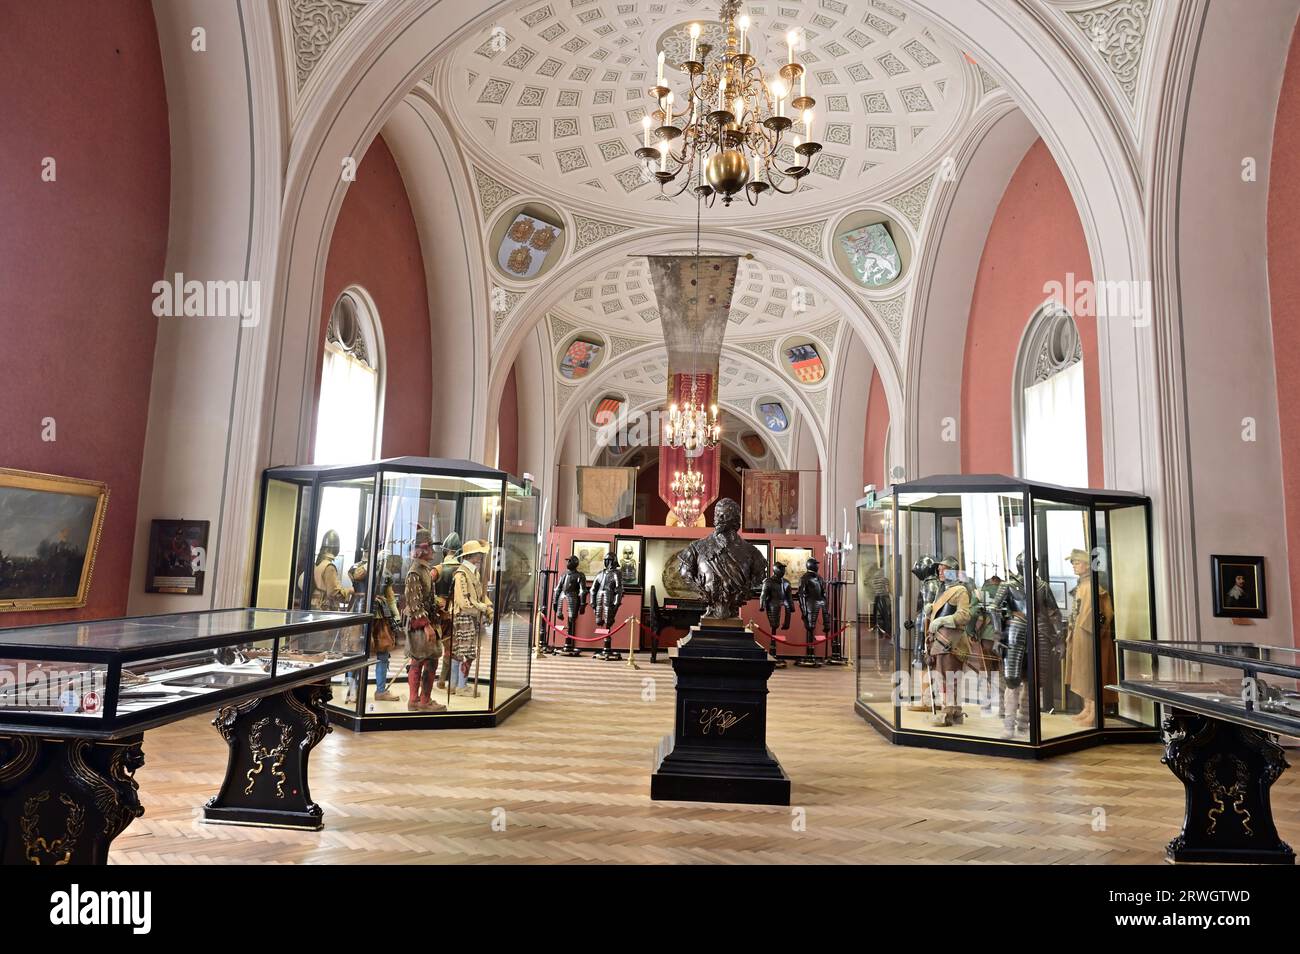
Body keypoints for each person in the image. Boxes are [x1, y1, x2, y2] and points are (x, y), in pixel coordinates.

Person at [1066, 548, 1115, 726]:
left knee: (1093, 672)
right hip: (1080, 636)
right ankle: (1087, 708)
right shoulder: (1083, 586)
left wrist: (1087, 630)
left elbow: (1103, 614)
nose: (1074, 567)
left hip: (1090, 638)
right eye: (1073, 563)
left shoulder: (1094, 588)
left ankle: (1096, 712)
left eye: (1077, 563)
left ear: (1087, 565)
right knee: (1083, 673)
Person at [401, 530, 446, 712]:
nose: (433, 552)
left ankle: (420, 700)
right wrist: (427, 626)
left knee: (423, 660)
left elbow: (424, 597)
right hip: (420, 625)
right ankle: (420, 701)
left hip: (426, 621)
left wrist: (437, 603)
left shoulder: (423, 570)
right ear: (423, 549)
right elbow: (414, 603)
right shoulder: (415, 572)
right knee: (424, 661)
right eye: (431, 547)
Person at [452, 540, 494, 696]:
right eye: (478, 553)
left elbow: (481, 595)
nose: (481, 556)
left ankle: (456, 684)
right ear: (471, 555)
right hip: (463, 616)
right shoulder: (461, 574)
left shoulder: (474, 572)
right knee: (465, 652)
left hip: (470, 615)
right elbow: (463, 602)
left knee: (461, 651)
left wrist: (488, 608)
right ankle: (460, 686)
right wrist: (480, 607)